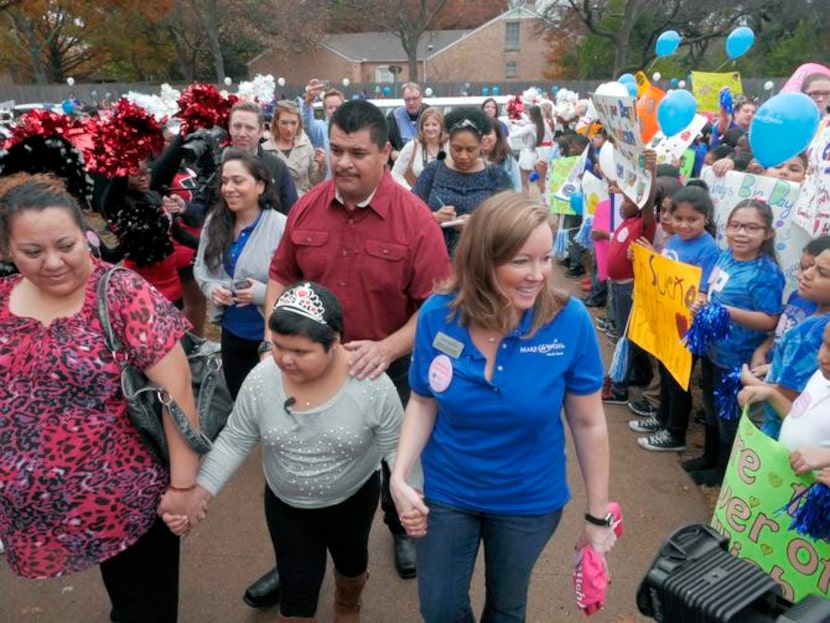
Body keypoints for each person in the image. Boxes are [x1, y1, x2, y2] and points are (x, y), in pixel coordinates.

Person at [247, 99, 451, 607]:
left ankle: (397, 528)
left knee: (392, 461)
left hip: (386, 367)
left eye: (357, 152)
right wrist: (277, 341)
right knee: (299, 464)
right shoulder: (308, 206)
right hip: (310, 374)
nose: (344, 163)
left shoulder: (416, 221)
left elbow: (435, 307)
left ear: (386, 153)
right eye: (336, 149)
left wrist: (386, 348)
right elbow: (281, 275)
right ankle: (298, 561)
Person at [389, 192, 615, 623]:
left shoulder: (570, 322)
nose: (537, 275)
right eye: (520, 262)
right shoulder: (439, 314)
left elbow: (588, 423)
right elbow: (422, 400)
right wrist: (400, 476)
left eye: (546, 258)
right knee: (439, 608)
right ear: (482, 260)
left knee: (506, 609)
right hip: (449, 489)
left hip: (529, 499)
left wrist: (597, 517)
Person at [0, 176, 201, 623]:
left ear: (87, 236)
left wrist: (183, 489)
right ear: (9, 249)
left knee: (142, 610)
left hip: (129, 502)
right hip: (38, 510)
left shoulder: (121, 293)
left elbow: (178, 391)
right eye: (32, 252)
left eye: (65, 245)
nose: (53, 263)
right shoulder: (2, 300)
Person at [163, 283, 416, 623]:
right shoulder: (263, 378)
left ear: (335, 341)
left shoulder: (371, 385)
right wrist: (200, 491)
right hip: (287, 504)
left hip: (352, 500)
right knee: (296, 597)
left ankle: (347, 602)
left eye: (300, 351)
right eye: (279, 346)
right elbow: (236, 438)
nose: (284, 359)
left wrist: (409, 495)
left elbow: (397, 448)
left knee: (351, 563)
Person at [687, 199, 785, 486]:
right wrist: (702, 302)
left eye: (751, 227)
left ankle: (722, 472)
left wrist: (727, 312)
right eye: (735, 226)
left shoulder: (766, 273)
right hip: (712, 350)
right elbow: (710, 289)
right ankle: (708, 457)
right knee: (711, 407)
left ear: (767, 234)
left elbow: (770, 320)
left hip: (738, 361)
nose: (741, 233)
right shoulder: (725, 256)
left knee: (729, 416)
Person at [629, 185, 720, 453]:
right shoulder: (674, 240)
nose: (684, 225)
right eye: (678, 218)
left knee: (678, 379)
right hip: (667, 322)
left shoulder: (708, 248)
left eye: (692, 220)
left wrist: (699, 298)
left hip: (687, 328)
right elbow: (669, 274)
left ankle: (675, 432)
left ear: (706, 217)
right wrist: (651, 259)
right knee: (666, 373)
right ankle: (662, 417)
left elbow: (703, 289)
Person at [193, 150, 286, 400]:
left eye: (238, 180)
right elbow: (201, 268)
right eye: (225, 181)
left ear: (260, 185)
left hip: (271, 336)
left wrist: (263, 294)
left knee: (271, 401)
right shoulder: (215, 222)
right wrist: (211, 289)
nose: (229, 188)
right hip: (232, 332)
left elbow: (300, 286)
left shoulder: (281, 227)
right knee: (239, 397)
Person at [741, 243, 830, 439]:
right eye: (809, 266)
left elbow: (791, 399)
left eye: (822, 272)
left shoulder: (812, 332)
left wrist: (751, 381)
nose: (806, 274)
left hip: (782, 434)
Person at [412, 107, 514, 255]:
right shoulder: (434, 170)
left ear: (480, 146)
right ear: (449, 144)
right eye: (457, 149)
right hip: (436, 255)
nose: (463, 156)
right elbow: (410, 210)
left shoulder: (495, 174)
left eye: (470, 149)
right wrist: (433, 217)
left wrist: (479, 222)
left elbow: (512, 216)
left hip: (481, 257)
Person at [600, 151, 658, 405]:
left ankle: (620, 387)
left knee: (627, 335)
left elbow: (648, 202)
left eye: (627, 200)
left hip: (629, 288)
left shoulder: (643, 223)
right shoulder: (625, 223)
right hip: (618, 288)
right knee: (628, 332)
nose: (621, 204)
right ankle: (638, 374)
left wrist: (651, 173)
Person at [227, 101, 299, 214]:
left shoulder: (277, 167)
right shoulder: (218, 165)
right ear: (230, 128)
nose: (242, 133)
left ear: (261, 131)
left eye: (249, 128)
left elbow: (292, 213)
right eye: (237, 126)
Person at [264, 100, 326, 196]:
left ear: (299, 123)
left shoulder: (305, 144)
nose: (289, 129)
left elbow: (315, 181)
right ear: (276, 122)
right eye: (284, 123)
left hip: (302, 203)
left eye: (293, 123)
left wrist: (322, 165)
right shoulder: (265, 149)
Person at [391, 106, 447, 190]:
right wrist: (411, 193)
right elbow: (395, 174)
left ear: (441, 127)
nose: (430, 128)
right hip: (418, 200)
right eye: (426, 125)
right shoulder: (413, 146)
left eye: (434, 124)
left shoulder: (450, 146)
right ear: (421, 128)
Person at [386, 82, 429, 163]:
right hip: (402, 164)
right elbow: (384, 140)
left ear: (421, 98)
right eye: (408, 99)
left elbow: (441, 137)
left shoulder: (430, 113)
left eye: (414, 98)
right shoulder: (393, 117)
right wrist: (392, 152)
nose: (411, 102)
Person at [511, 104, 546, 196]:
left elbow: (515, 134)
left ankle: (527, 200)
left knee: (524, 182)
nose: (528, 115)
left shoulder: (530, 127)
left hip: (527, 155)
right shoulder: (539, 125)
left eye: (529, 113)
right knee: (532, 182)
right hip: (535, 154)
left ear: (532, 114)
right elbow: (525, 122)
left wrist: (506, 132)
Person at [481, 118, 522, 192]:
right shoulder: (470, 159)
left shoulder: (508, 159)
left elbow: (517, 189)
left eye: (488, 133)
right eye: (480, 133)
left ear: (497, 136)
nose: (483, 137)